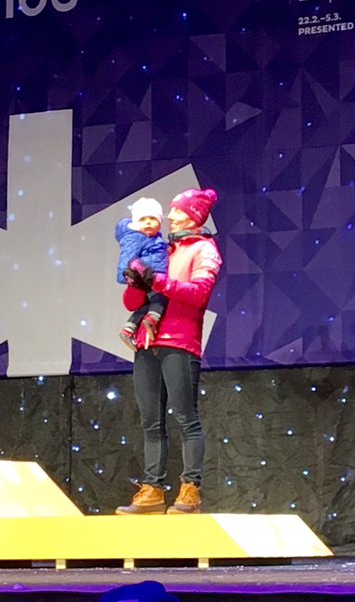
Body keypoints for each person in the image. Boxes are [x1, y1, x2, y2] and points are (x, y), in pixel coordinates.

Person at [116, 187, 222, 516]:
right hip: (148, 342)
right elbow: (134, 303)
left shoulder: (205, 249)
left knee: (185, 418)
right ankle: (152, 490)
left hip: (179, 341)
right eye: (172, 211)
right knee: (151, 422)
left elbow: (199, 293)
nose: (171, 216)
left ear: (194, 216)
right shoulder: (161, 248)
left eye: (177, 211)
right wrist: (136, 282)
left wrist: (159, 282)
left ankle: (190, 489)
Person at [116, 197, 170, 350]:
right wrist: (134, 270)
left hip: (151, 276)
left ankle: (128, 329)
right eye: (143, 219)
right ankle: (152, 320)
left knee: (148, 304)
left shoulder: (155, 239)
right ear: (136, 223)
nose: (148, 222)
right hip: (148, 277)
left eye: (153, 218)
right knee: (159, 299)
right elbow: (127, 259)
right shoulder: (135, 238)